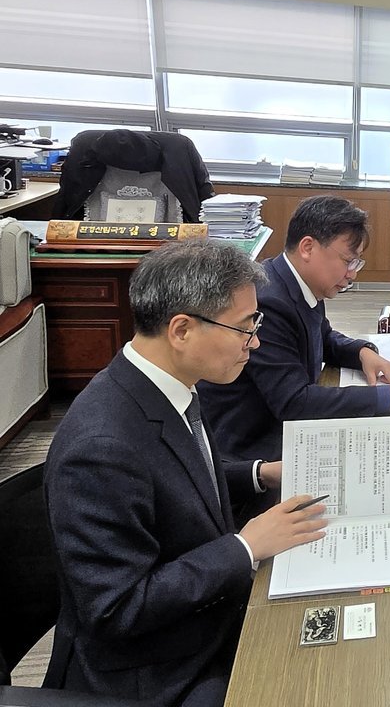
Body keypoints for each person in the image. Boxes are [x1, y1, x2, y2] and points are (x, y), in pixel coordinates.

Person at [43, 240, 328, 707]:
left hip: (205, 614)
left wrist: (261, 474)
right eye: (245, 327)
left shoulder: (166, 384)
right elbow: (117, 608)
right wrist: (245, 547)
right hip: (160, 671)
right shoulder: (100, 449)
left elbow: (178, 476)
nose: (255, 342)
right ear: (181, 329)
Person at [200, 195, 390, 519]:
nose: (352, 274)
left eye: (356, 263)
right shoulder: (269, 301)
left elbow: (322, 334)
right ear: (308, 247)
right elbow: (294, 402)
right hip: (253, 456)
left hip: (280, 434)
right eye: (348, 260)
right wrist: (389, 398)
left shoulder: (298, 282)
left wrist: (361, 352)